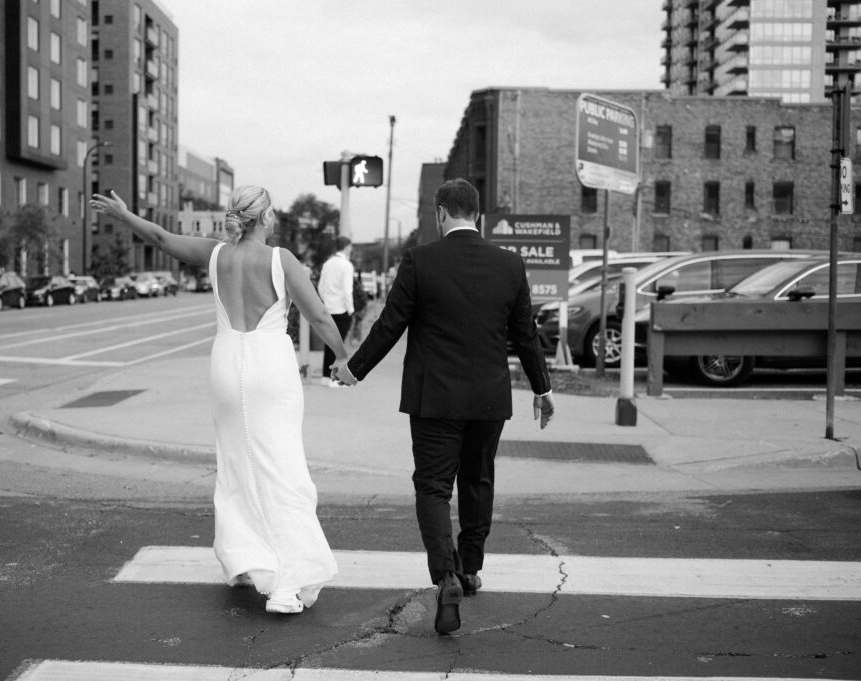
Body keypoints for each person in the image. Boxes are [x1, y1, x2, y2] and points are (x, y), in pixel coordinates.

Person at [90, 187, 344, 615]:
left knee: (235, 464)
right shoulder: (281, 260)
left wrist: (125, 214)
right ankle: (287, 583)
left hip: (226, 363)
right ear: (264, 218)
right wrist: (343, 357)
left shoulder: (216, 255)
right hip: (269, 366)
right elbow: (318, 315)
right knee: (281, 468)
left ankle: (246, 561)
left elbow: (160, 239)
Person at [331, 178, 556, 635]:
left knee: (433, 488)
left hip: (434, 399)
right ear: (477, 215)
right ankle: (470, 568)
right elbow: (525, 335)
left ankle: (446, 574)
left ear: (440, 214)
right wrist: (542, 388)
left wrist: (355, 369)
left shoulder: (421, 261)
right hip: (490, 399)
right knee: (478, 480)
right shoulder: (509, 266)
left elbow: (390, 324)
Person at [317, 235, 355, 386]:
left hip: (328, 308)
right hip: (342, 309)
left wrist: (326, 300)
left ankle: (325, 376)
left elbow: (320, 287)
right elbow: (347, 290)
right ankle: (335, 379)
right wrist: (351, 309)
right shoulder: (346, 265)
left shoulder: (327, 264)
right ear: (346, 248)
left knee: (329, 343)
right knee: (339, 346)